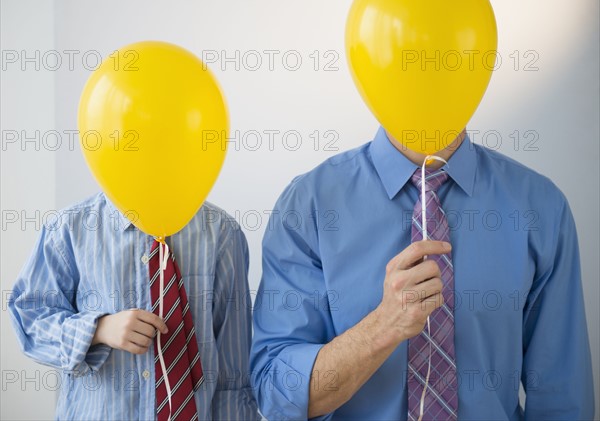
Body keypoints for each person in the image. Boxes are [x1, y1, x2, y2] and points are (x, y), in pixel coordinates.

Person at [250, 127, 595, 420]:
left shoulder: (539, 207)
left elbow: (561, 396)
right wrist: (381, 328)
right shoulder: (309, 205)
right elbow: (277, 392)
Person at [9, 192, 259, 421]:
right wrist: (97, 329)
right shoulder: (69, 229)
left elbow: (233, 375)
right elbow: (30, 319)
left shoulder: (221, 232)